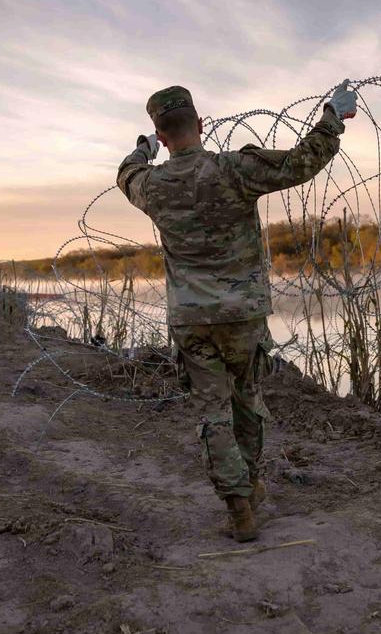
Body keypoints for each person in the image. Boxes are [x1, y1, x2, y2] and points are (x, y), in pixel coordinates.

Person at [117, 81, 358, 542]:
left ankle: (239, 506)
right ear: (201, 124)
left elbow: (126, 173)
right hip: (242, 316)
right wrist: (333, 116)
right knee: (247, 403)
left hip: (191, 321)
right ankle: (250, 482)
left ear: (162, 136)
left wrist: (141, 150)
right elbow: (303, 161)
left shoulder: (151, 185)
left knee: (212, 413)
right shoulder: (234, 170)